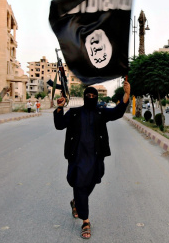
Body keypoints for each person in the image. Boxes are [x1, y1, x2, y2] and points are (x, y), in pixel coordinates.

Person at [53, 81, 130, 239]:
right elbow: (59, 125)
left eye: (94, 95)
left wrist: (127, 94)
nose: (91, 97)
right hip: (78, 157)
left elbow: (117, 112)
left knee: (94, 180)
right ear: (84, 97)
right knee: (80, 185)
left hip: (95, 156)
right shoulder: (74, 113)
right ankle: (86, 221)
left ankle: (76, 202)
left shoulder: (101, 112)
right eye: (88, 95)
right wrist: (60, 108)